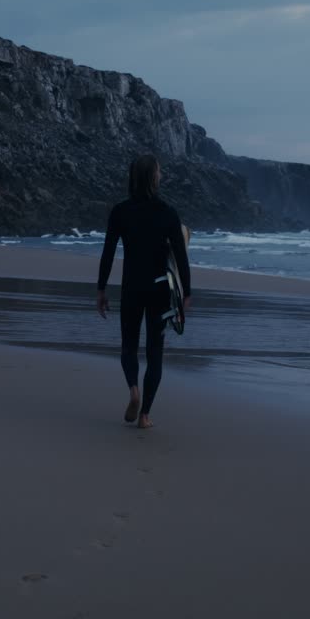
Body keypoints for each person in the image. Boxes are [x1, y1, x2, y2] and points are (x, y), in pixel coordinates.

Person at [96, 155, 191, 429]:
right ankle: (145, 415)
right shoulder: (168, 212)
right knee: (155, 352)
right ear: (153, 177)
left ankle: (133, 390)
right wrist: (187, 292)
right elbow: (181, 258)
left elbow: (108, 254)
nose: (161, 175)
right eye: (159, 172)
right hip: (161, 288)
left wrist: (101, 289)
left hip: (132, 287)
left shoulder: (120, 211)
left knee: (128, 345)